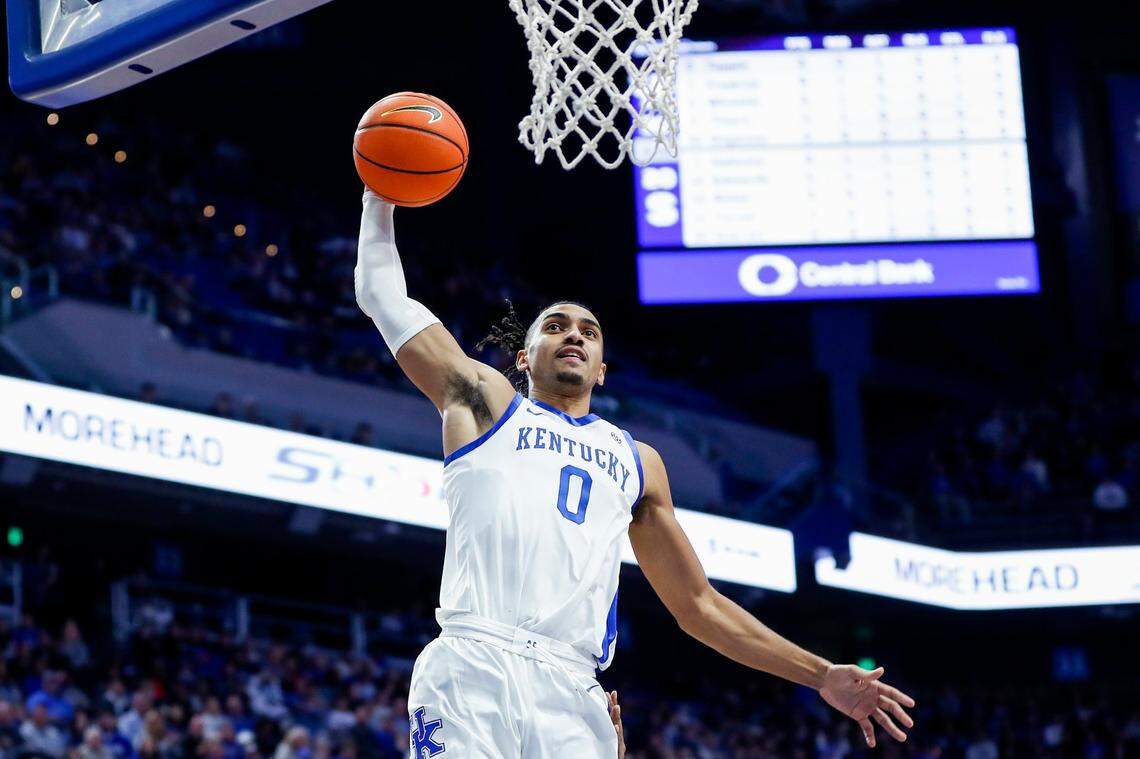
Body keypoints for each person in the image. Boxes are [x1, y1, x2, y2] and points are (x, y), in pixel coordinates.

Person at [354, 191, 915, 757]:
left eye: (588, 332)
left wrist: (820, 675)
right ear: (523, 359)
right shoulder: (485, 402)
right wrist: (379, 196)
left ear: (602, 371)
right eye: (555, 326)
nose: (573, 334)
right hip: (474, 660)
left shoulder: (638, 460)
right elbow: (381, 294)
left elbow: (698, 605)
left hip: (572, 688)